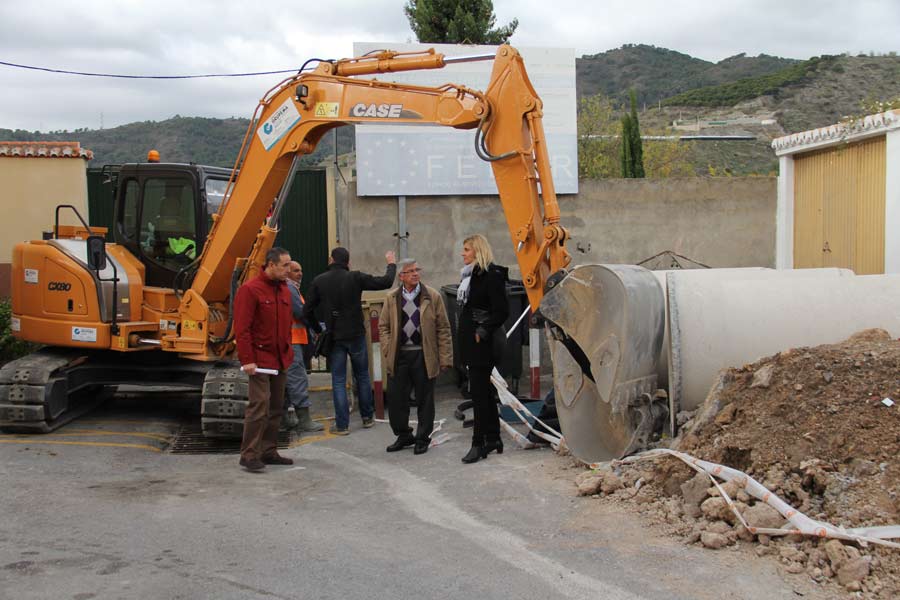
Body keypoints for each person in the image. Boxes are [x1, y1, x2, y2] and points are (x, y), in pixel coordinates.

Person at [303, 247, 396, 435]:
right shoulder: (355, 277)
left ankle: (342, 425)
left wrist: (318, 329)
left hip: (335, 336)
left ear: (331, 260)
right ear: (348, 262)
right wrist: (391, 263)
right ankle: (367, 418)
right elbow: (385, 282)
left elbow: (307, 311)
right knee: (362, 375)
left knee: (338, 380)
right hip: (356, 334)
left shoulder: (319, 281)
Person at [379, 259, 453, 455]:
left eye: (416, 270)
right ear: (401, 276)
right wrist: (387, 348)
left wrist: (445, 358)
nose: (415, 274)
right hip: (399, 355)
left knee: (425, 399)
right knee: (396, 400)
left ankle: (422, 438)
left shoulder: (432, 296)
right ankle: (404, 435)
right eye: (409, 271)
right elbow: (383, 326)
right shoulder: (392, 298)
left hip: (423, 355)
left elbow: (443, 328)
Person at [233, 247, 295, 472]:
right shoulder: (250, 290)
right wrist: (248, 359)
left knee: (277, 407)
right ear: (270, 265)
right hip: (259, 359)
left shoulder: (284, 290)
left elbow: (286, 324)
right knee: (259, 406)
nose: (289, 270)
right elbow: (242, 328)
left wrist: (288, 351)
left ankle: (268, 451)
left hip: (280, 359)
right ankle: (249, 454)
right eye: (285, 265)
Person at [456, 234, 509, 464]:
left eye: (466, 249)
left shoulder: (491, 276)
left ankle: (478, 444)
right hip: (471, 343)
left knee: (477, 394)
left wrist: (483, 330)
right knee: (485, 393)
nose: (463, 253)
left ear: (477, 251)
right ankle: (494, 438)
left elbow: (502, 311)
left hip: (483, 345)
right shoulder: (469, 276)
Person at [284, 260, 324, 433]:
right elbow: (302, 313)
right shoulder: (290, 288)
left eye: (301, 270)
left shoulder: (289, 288)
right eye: (295, 270)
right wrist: (318, 327)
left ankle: (283, 419)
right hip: (293, 342)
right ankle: (304, 420)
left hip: (292, 341)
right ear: (286, 272)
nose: (300, 273)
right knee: (297, 378)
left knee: (286, 382)